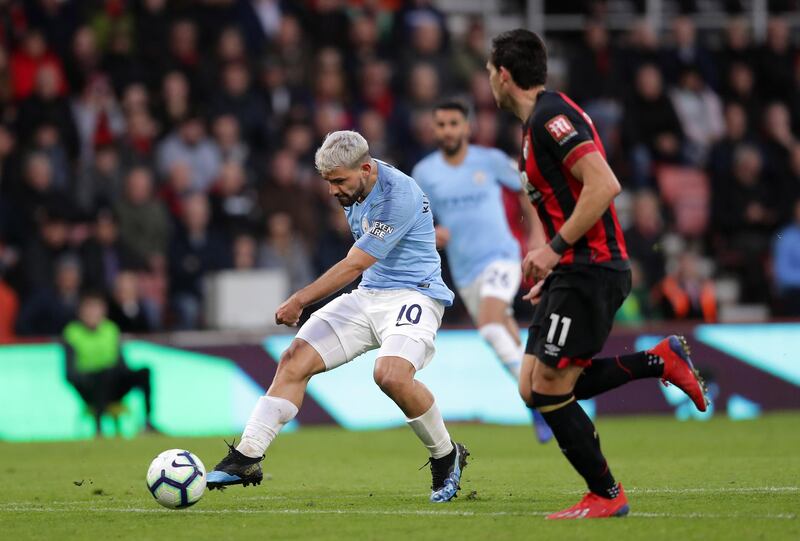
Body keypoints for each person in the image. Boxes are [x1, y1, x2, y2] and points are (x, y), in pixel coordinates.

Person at [486, 29, 708, 519]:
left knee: (547, 389)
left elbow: (604, 184)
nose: (489, 82)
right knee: (532, 388)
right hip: (574, 269)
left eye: (489, 72)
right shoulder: (534, 125)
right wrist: (556, 261)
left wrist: (555, 250)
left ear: (504, 75)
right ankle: (658, 362)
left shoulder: (551, 117)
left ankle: (607, 494)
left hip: (593, 268)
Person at [206, 131, 468, 503]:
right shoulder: (355, 186)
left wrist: (300, 299)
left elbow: (356, 263)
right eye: (327, 182)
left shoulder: (399, 195)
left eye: (338, 181)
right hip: (369, 295)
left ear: (366, 167)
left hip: (416, 294)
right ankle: (248, 456)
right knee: (295, 359)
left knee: (390, 375)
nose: (332, 191)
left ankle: (446, 455)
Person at [412, 99, 552, 443]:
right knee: (501, 332)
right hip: (464, 271)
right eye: (441, 124)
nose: (447, 131)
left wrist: (535, 235)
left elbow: (527, 189)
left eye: (453, 124)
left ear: (467, 127)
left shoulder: (488, 161)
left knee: (491, 325)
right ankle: (542, 393)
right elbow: (415, 218)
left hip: (501, 257)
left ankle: (536, 400)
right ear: (434, 129)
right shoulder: (424, 173)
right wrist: (431, 232)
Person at [63, 290, 155, 435]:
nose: (93, 313)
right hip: (89, 389)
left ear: (103, 311)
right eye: (89, 308)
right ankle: (98, 429)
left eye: (96, 308)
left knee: (144, 372)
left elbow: (122, 364)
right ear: (81, 312)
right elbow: (69, 373)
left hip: (113, 384)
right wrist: (89, 378)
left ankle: (148, 423)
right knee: (102, 374)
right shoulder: (72, 333)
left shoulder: (111, 329)